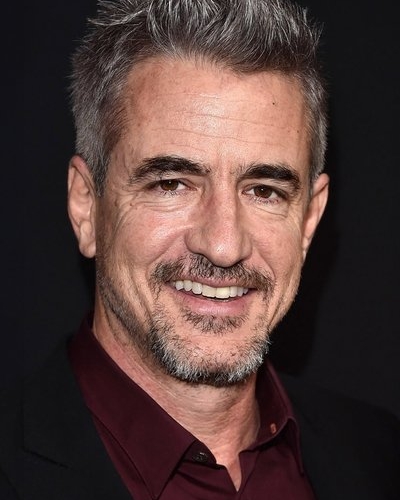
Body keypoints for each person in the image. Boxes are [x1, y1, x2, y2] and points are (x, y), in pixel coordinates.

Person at [1, 0, 399, 498]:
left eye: (264, 191)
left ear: (308, 221)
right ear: (86, 206)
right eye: (171, 183)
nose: (224, 245)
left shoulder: (382, 457)